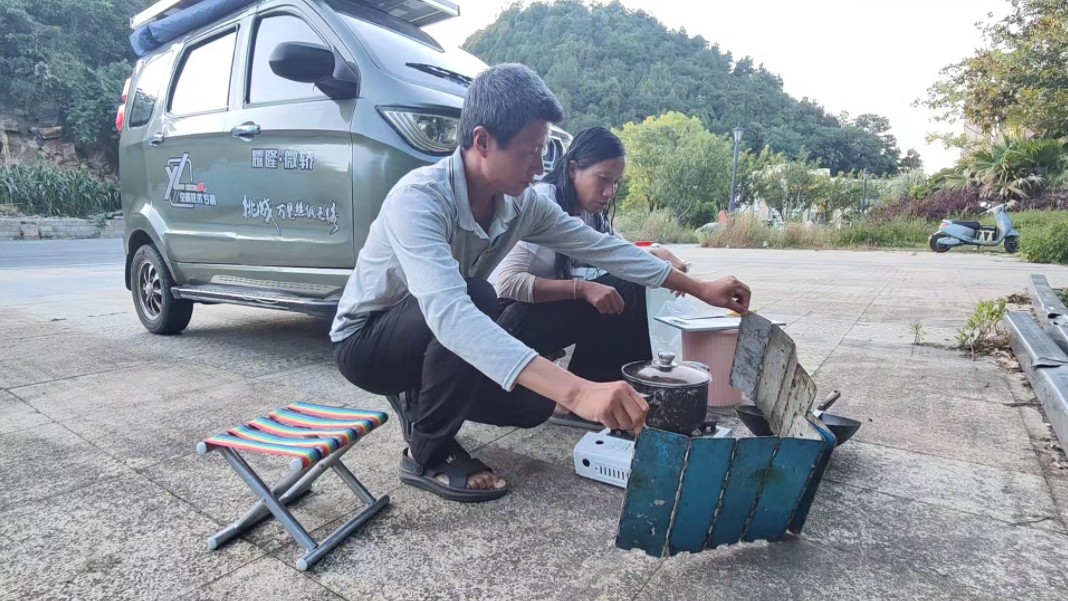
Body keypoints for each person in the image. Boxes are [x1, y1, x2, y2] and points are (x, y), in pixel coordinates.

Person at [331, 63, 751, 504]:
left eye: (545, 150)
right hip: (366, 344)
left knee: (532, 407)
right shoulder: (419, 200)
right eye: (530, 151)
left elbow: (603, 248)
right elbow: (451, 315)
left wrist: (700, 286)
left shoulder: (520, 204)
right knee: (477, 295)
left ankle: (421, 400)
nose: (539, 166)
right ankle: (426, 453)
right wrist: (578, 389)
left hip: (435, 333)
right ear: (483, 142)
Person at [493, 126, 689, 429]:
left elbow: (618, 251)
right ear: (573, 169)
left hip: (542, 315)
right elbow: (505, 283)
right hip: (506, 322)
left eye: (615, 183)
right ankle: (585, 399)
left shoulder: (589, 213)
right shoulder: (542, 204)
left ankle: (629, 389)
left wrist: (659, 253)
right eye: (603, 180)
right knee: (620, 285)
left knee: (629, 280)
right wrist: (581, 289)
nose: (609, 192)